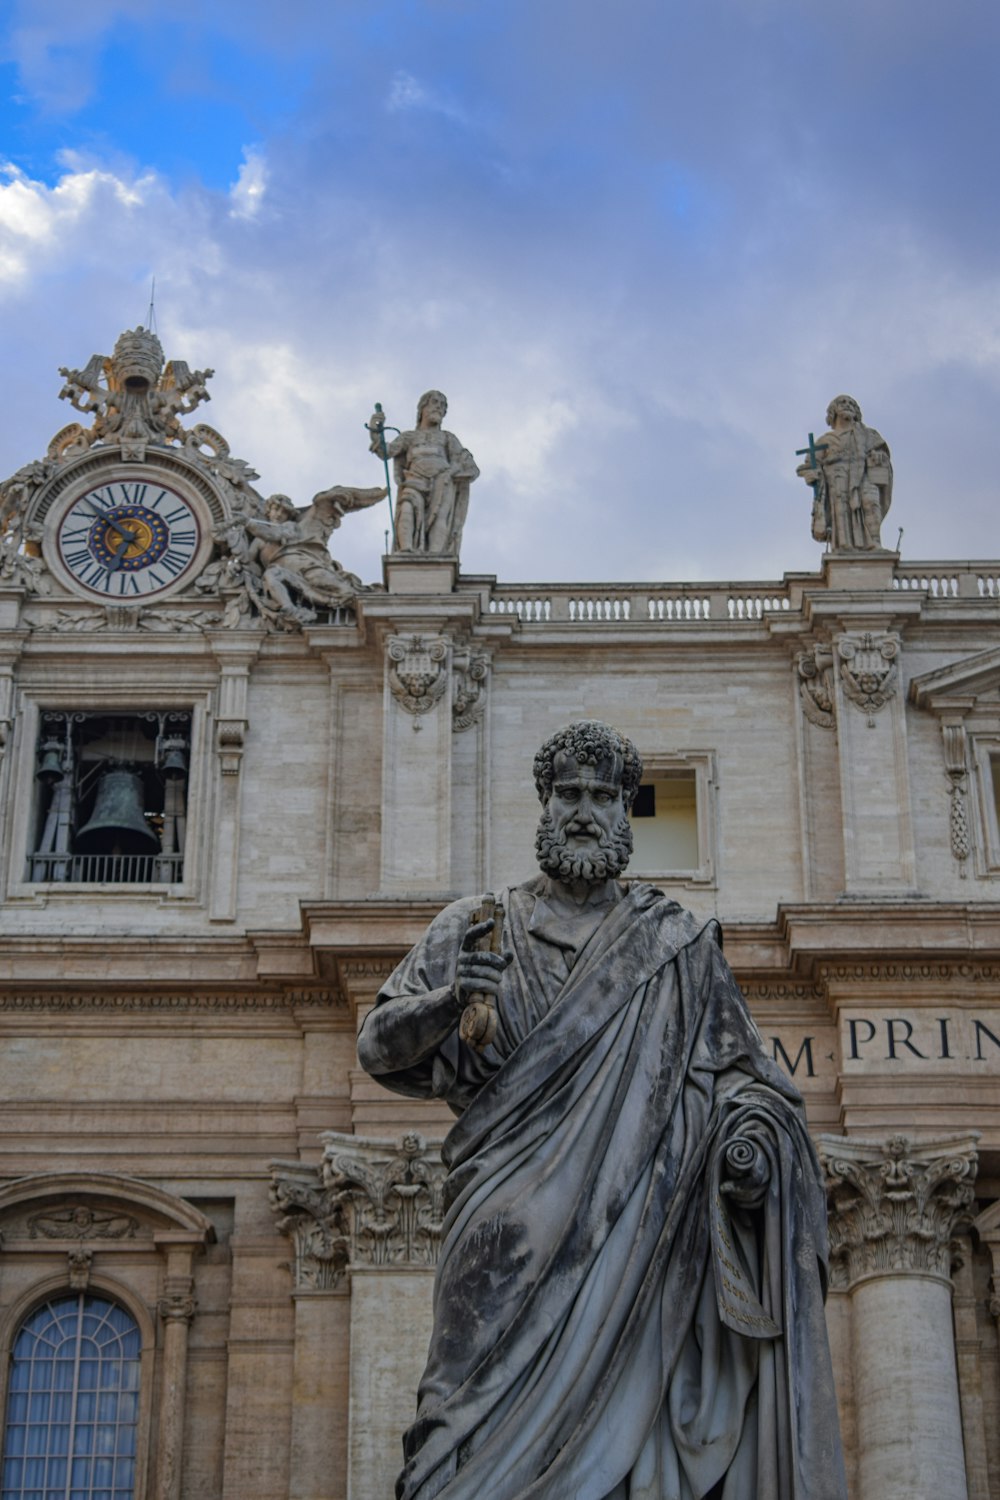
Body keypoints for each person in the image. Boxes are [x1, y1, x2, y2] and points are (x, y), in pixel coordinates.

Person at [359, 721, 846, 1500]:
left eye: (603, 796)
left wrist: (751, 1142)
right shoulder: (479, 925)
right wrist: (451, 1000)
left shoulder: (678, 944)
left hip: (640, 1233)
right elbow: (377, 1048)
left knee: (624, 1439)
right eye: (568, 794)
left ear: (627, 812)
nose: (584, 809)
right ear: (544, 806)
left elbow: (748, 1079)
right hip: (501, 1230)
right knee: (454, 1433)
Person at [370, 390, 479, 555]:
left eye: (443, 406)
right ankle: (406, 552)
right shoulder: (409, 437)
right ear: (422, 408)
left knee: (441, 517)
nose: (439, 408)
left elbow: (466, 462)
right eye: (435, 403)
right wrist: (375, 431)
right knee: (406, 507)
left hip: (443, 481)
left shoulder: (447, 438)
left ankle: (436, 558)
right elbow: (386, 452)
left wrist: (453, 471)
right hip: (414, 479)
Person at [797, 394, 893, 551]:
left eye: (851, 403)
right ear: (833, 412)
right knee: (842, 512)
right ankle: (844, 546)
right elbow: (810, 465)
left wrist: (879, 455)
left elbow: (882, 453)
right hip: (838, 479)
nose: (847, 405)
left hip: (864, 475)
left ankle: (874, 543)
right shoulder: (825, 440)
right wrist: (813, 474)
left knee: (871, 504)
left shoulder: (869, 435)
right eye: (842, 402)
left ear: (857, 412)